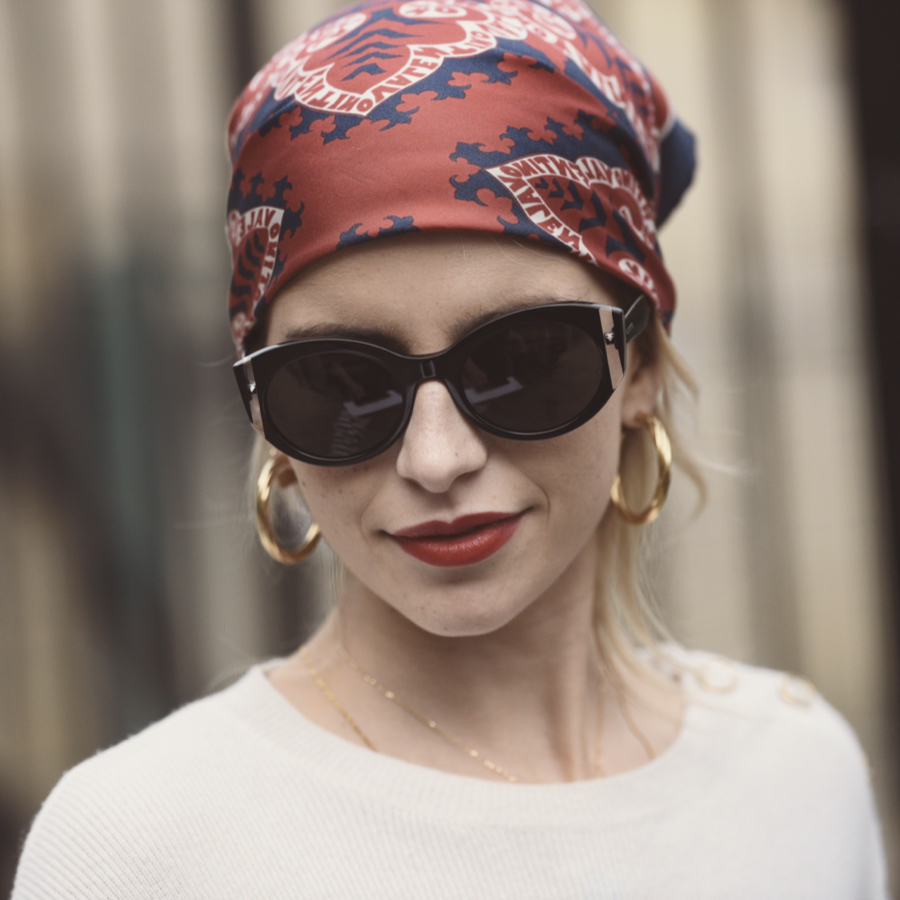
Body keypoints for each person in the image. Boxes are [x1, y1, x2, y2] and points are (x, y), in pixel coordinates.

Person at [13, 0, 889, 896]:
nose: (436, 460)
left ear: (641, 369)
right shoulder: (134, 848)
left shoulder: (796, 780)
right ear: (263, 413)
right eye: (341, 381)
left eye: (523, 356)